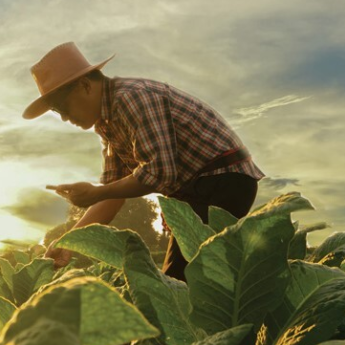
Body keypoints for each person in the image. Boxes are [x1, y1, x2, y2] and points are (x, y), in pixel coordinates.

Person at [23, 42, 265, 281]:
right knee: (184, 282)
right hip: (195, 192)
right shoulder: (107, 123)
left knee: (182, 284)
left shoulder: (131, 98)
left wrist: (97, 193)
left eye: (62, 107)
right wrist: (69, 241)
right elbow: (112, 196)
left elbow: (159, 174)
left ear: (85, 86)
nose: (65, 118)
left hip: (223, 180)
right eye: (57, 112)